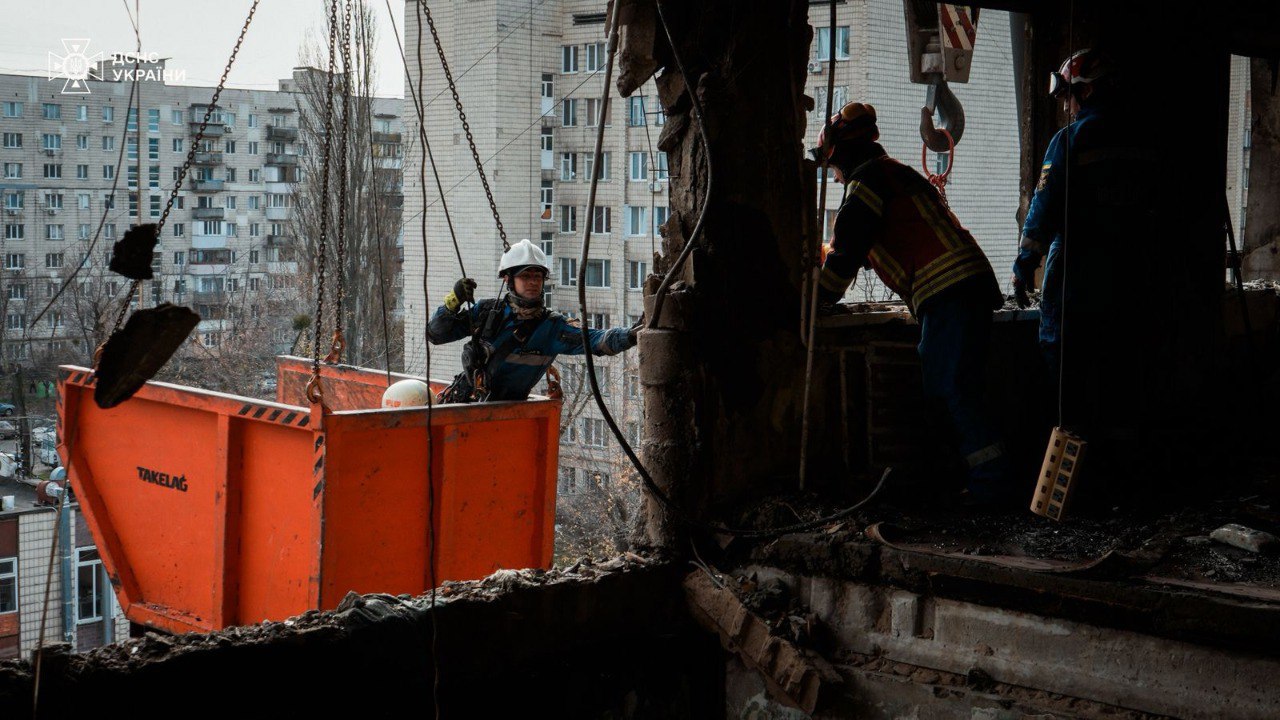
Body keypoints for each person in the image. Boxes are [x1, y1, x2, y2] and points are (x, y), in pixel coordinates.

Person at [813, 101, 1008, 503]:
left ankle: (991, 489)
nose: (832, 176)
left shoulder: (865, 184)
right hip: (961, 286)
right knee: (953, 388)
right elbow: (870, 242)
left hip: (947, 289)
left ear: (841, 152)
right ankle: (978, 482)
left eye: (831, 165)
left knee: (951, 390)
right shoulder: (891, 174)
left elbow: (845, 257)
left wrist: (816, 299)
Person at [1010, 49, 1150, 431]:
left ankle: (1068, 460)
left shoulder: (1070, 140)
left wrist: (1023, 266)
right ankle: (1112, 459)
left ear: (1084, 92)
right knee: (1115, 370)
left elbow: (1044, 207)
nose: (1067, 106)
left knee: (1064, 367)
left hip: (1076, 270)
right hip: (1130, 273)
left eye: (1068, 96)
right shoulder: (1142, 139)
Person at [428, 239, 638, 402]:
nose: (532, 282)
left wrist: (630, 335)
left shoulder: (552, 328)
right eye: (525, 276)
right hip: (465, 402)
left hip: (509, 413)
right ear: (508, 279)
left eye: (537, 277)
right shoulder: (487, 313)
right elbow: (435, 335)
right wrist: (452, 303)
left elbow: (595, 340)